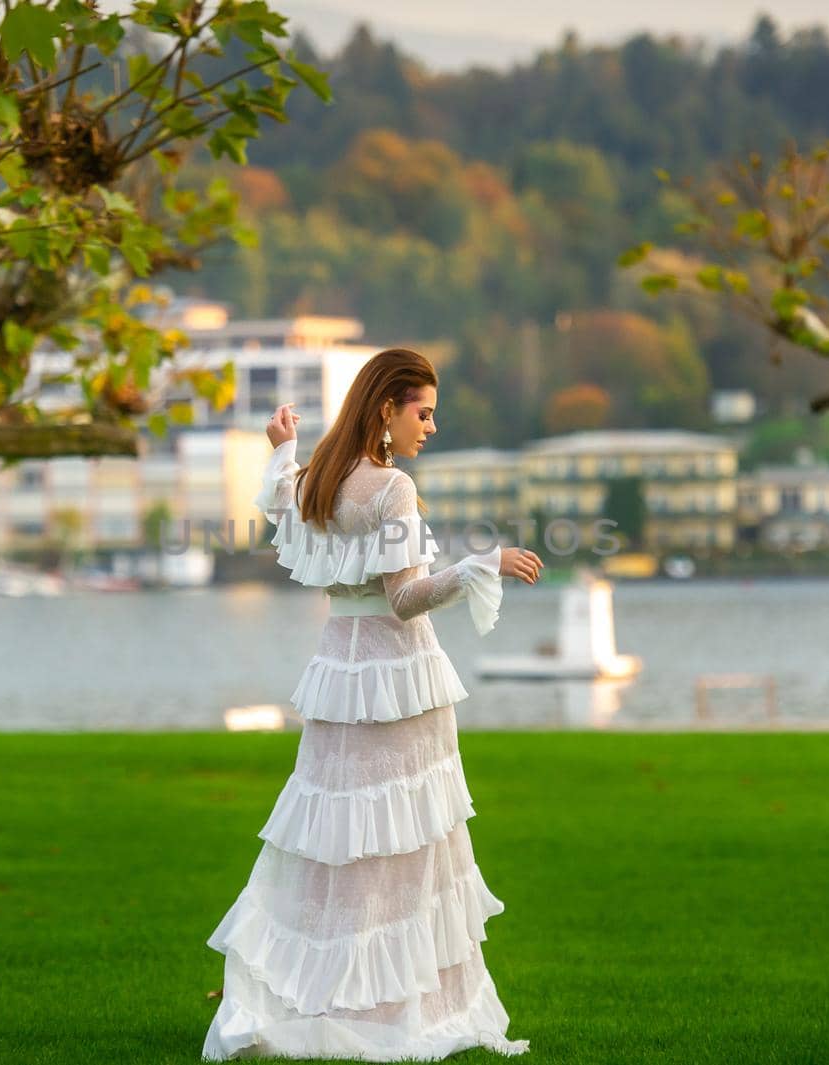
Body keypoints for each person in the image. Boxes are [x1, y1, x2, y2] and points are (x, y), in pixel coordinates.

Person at [202, 348, 541, 1061]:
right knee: (403, 845)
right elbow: (405, 596)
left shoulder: (323, 479)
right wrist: (483, 564)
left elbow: (283, 495)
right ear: (386, 410)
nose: (431, 426)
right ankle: (396, 1008)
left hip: (339, 674)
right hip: (396, 679)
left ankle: (327, 995)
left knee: (339, 845)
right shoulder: (391, 488)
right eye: (423, 412)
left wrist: (285, 447)